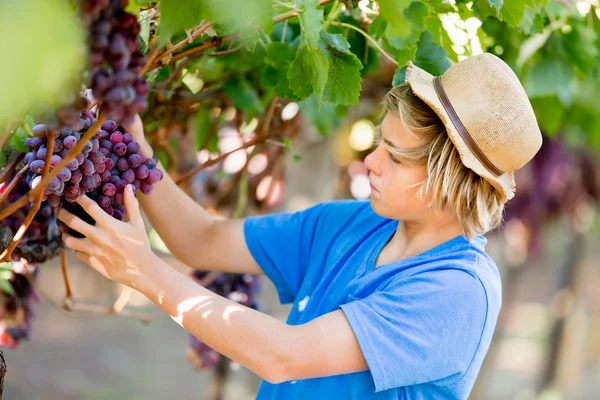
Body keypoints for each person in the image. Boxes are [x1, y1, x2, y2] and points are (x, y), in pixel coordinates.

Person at [57, 53, 542, 399]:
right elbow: (201, 241)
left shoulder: (457, 293)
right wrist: (134, 147)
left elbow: (282, 355)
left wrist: (143, 270)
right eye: (379, 143)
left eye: (393, 157)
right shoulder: (353, 224)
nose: (370, 162)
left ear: (446, 182)